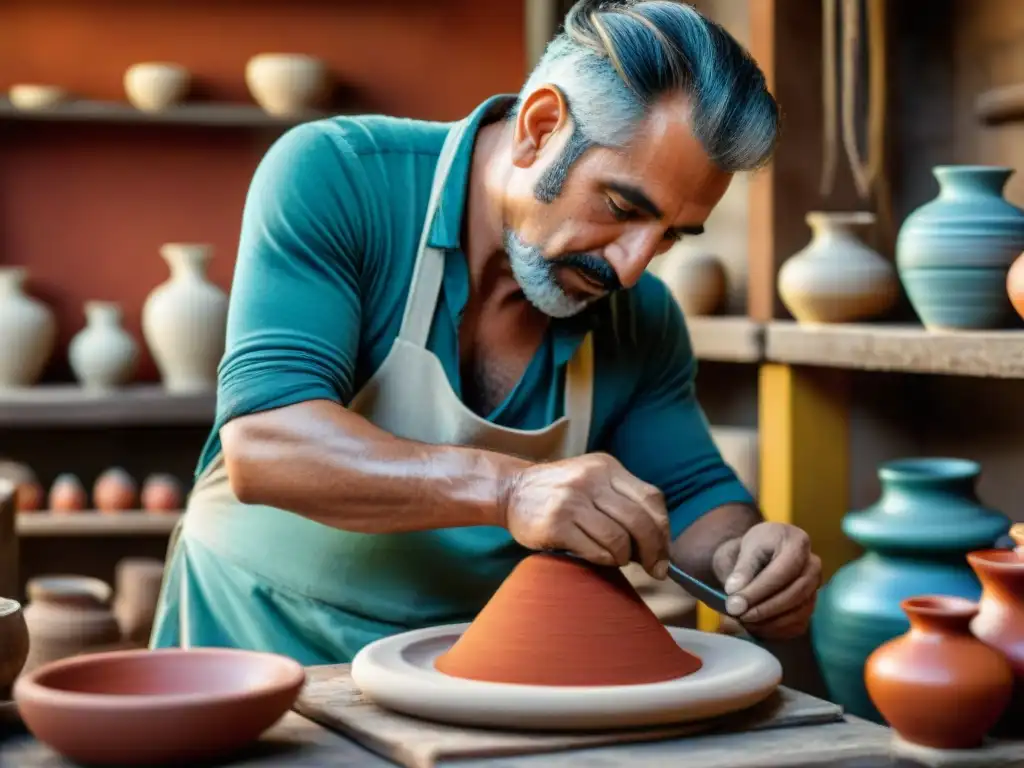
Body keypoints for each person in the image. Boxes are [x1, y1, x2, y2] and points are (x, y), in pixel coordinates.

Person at [150, 0, 822, 663]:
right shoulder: (339, 176)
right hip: (249, 637)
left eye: (671, 235)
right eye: (620, 207)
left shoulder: (641, 317)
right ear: (540, 127)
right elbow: (267, 444)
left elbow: (695, 498)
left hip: (462, 671)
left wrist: (747, 556)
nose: (631, 267)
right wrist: (509, 489)